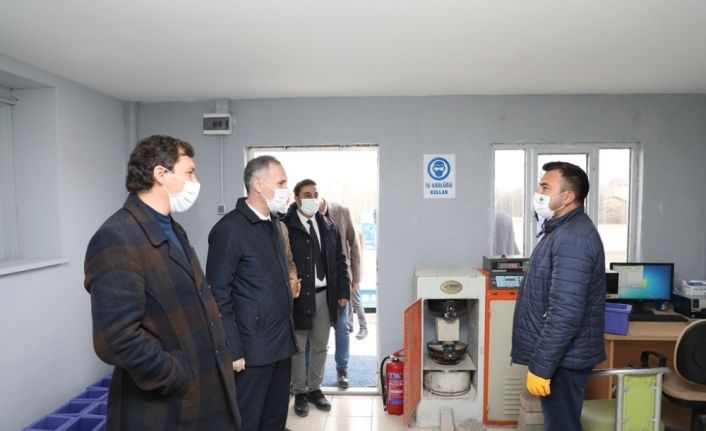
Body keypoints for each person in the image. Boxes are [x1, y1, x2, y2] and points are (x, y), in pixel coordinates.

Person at [84, 135, 240, 430]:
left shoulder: (173, 228)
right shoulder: (116, 237)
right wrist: (177, 376)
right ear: (161, 174)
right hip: (167, 406)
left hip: (206, 395)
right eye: (189, 172)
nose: (196, 181)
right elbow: (116, 339)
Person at [510, 161, 606, 431]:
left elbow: (565, 313)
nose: (538, 193)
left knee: (562, 426)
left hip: (564, 359)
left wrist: (541, 367)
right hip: (562, 356)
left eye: (545, 187)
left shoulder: (573, 239)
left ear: (567, 197)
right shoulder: (562, 231)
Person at [206, 155, 297, 431]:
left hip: (281, 343)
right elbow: (217, 294)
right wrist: (232, 349)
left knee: (275, 419)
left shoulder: (274, 225)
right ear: (258, 184)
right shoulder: (230, 229)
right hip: (251, 350)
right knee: (247, 421)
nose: (286, 190)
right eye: (281, 183)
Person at [282, 180, 350, 416]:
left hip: (325, 296)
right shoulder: (285, 226)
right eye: (306, 194)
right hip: (299, 297)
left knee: (320, 346)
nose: (312, 198)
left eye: (315, 194)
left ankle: (314, 389)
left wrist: (343, 291)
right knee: (299, 348)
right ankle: (300, 391)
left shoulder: (329, 225)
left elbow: (340, 260)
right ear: (297, 199)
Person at [319, 197, 363, 387]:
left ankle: (342, 369)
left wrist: (356, 277)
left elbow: (354, 244)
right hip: (316, 283)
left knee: (342, 327)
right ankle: (309, 374)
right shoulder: (299, 213)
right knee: (312, 331)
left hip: (340, 279)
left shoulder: (341, 211)